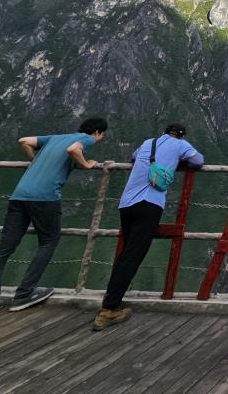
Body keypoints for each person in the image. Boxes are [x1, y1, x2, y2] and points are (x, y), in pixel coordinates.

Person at [0, 116, 108, 319]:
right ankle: (24, 294)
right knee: (49, 241)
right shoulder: (86, 139)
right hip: (45, 198)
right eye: (102, 135)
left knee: (4, 247)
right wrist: (87, 165)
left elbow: (23, 141)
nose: (101, 138)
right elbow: (73, 150)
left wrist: (34, 161)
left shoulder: (55, 137)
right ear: (97, 132)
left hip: (19, 195)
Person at [92, 123, 204, 330]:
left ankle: (111, 300)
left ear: (164, 132)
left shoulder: (148, 143)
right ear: (181, 136)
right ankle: (109, 309)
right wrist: (178, 159)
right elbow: (198, 161)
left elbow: (134, 157)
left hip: (126, 203)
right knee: (133, 256)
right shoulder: (181, 145)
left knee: (126, 253)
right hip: (150, 204)